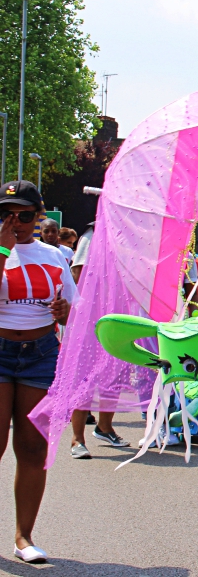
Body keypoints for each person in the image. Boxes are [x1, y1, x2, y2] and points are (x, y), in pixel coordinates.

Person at [0, 181, 76, 563]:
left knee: (32, 447)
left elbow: (74, 303)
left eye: (24, 215)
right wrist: (2, 249)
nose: (15, 222)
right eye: (6, 214)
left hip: (41, 352)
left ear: (38, 215)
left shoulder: (53, 254)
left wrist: (65, 312)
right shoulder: (0, 249)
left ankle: (23, 538)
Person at [68, 218, 131, 458]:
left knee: (115, 373)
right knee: (84, 377)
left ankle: (105, 427)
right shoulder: (91, 234)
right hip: (91, 316)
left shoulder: (130, 235)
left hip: (118, 314)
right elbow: (78, 271)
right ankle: (77, 438)